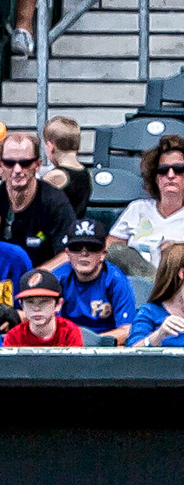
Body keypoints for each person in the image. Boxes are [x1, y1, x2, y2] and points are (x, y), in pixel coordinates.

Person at [107, 137, 184, 273]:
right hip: (136, 286)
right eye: (163, 170)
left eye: (179, 169)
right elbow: (110, 249)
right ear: (155, 177)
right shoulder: (137, 208)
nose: (170, 175)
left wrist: (181, 251)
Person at [53, 219, 135, 345]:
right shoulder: (58, 279)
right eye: (76, 247)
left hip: (105, 350)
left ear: (103, 254)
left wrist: (89, 343)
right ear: (67, 253)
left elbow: (127, 329)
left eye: (92, 248)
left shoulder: (115, 280)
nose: (84, 253)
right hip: (66, 348)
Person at [0, 132, 75, 268]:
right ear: (0, 166)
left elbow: (68, 253)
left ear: (38, 165)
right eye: (9, 163)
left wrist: (35, 277)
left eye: (25, 163)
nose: (17, 170)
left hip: (41, 281)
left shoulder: (55, 202)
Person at [3, 268, 85, 347]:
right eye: (29, 302)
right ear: (22, 305)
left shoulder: (70, 333)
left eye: (44, 302)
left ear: (58, 304)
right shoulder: (13, 337)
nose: (36, 308)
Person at [40, 116, 92, 219]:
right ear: (78, 146)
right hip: (76, 230)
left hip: (57, 232)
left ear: (50, 147)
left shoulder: (56, 176)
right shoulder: (87, 174)